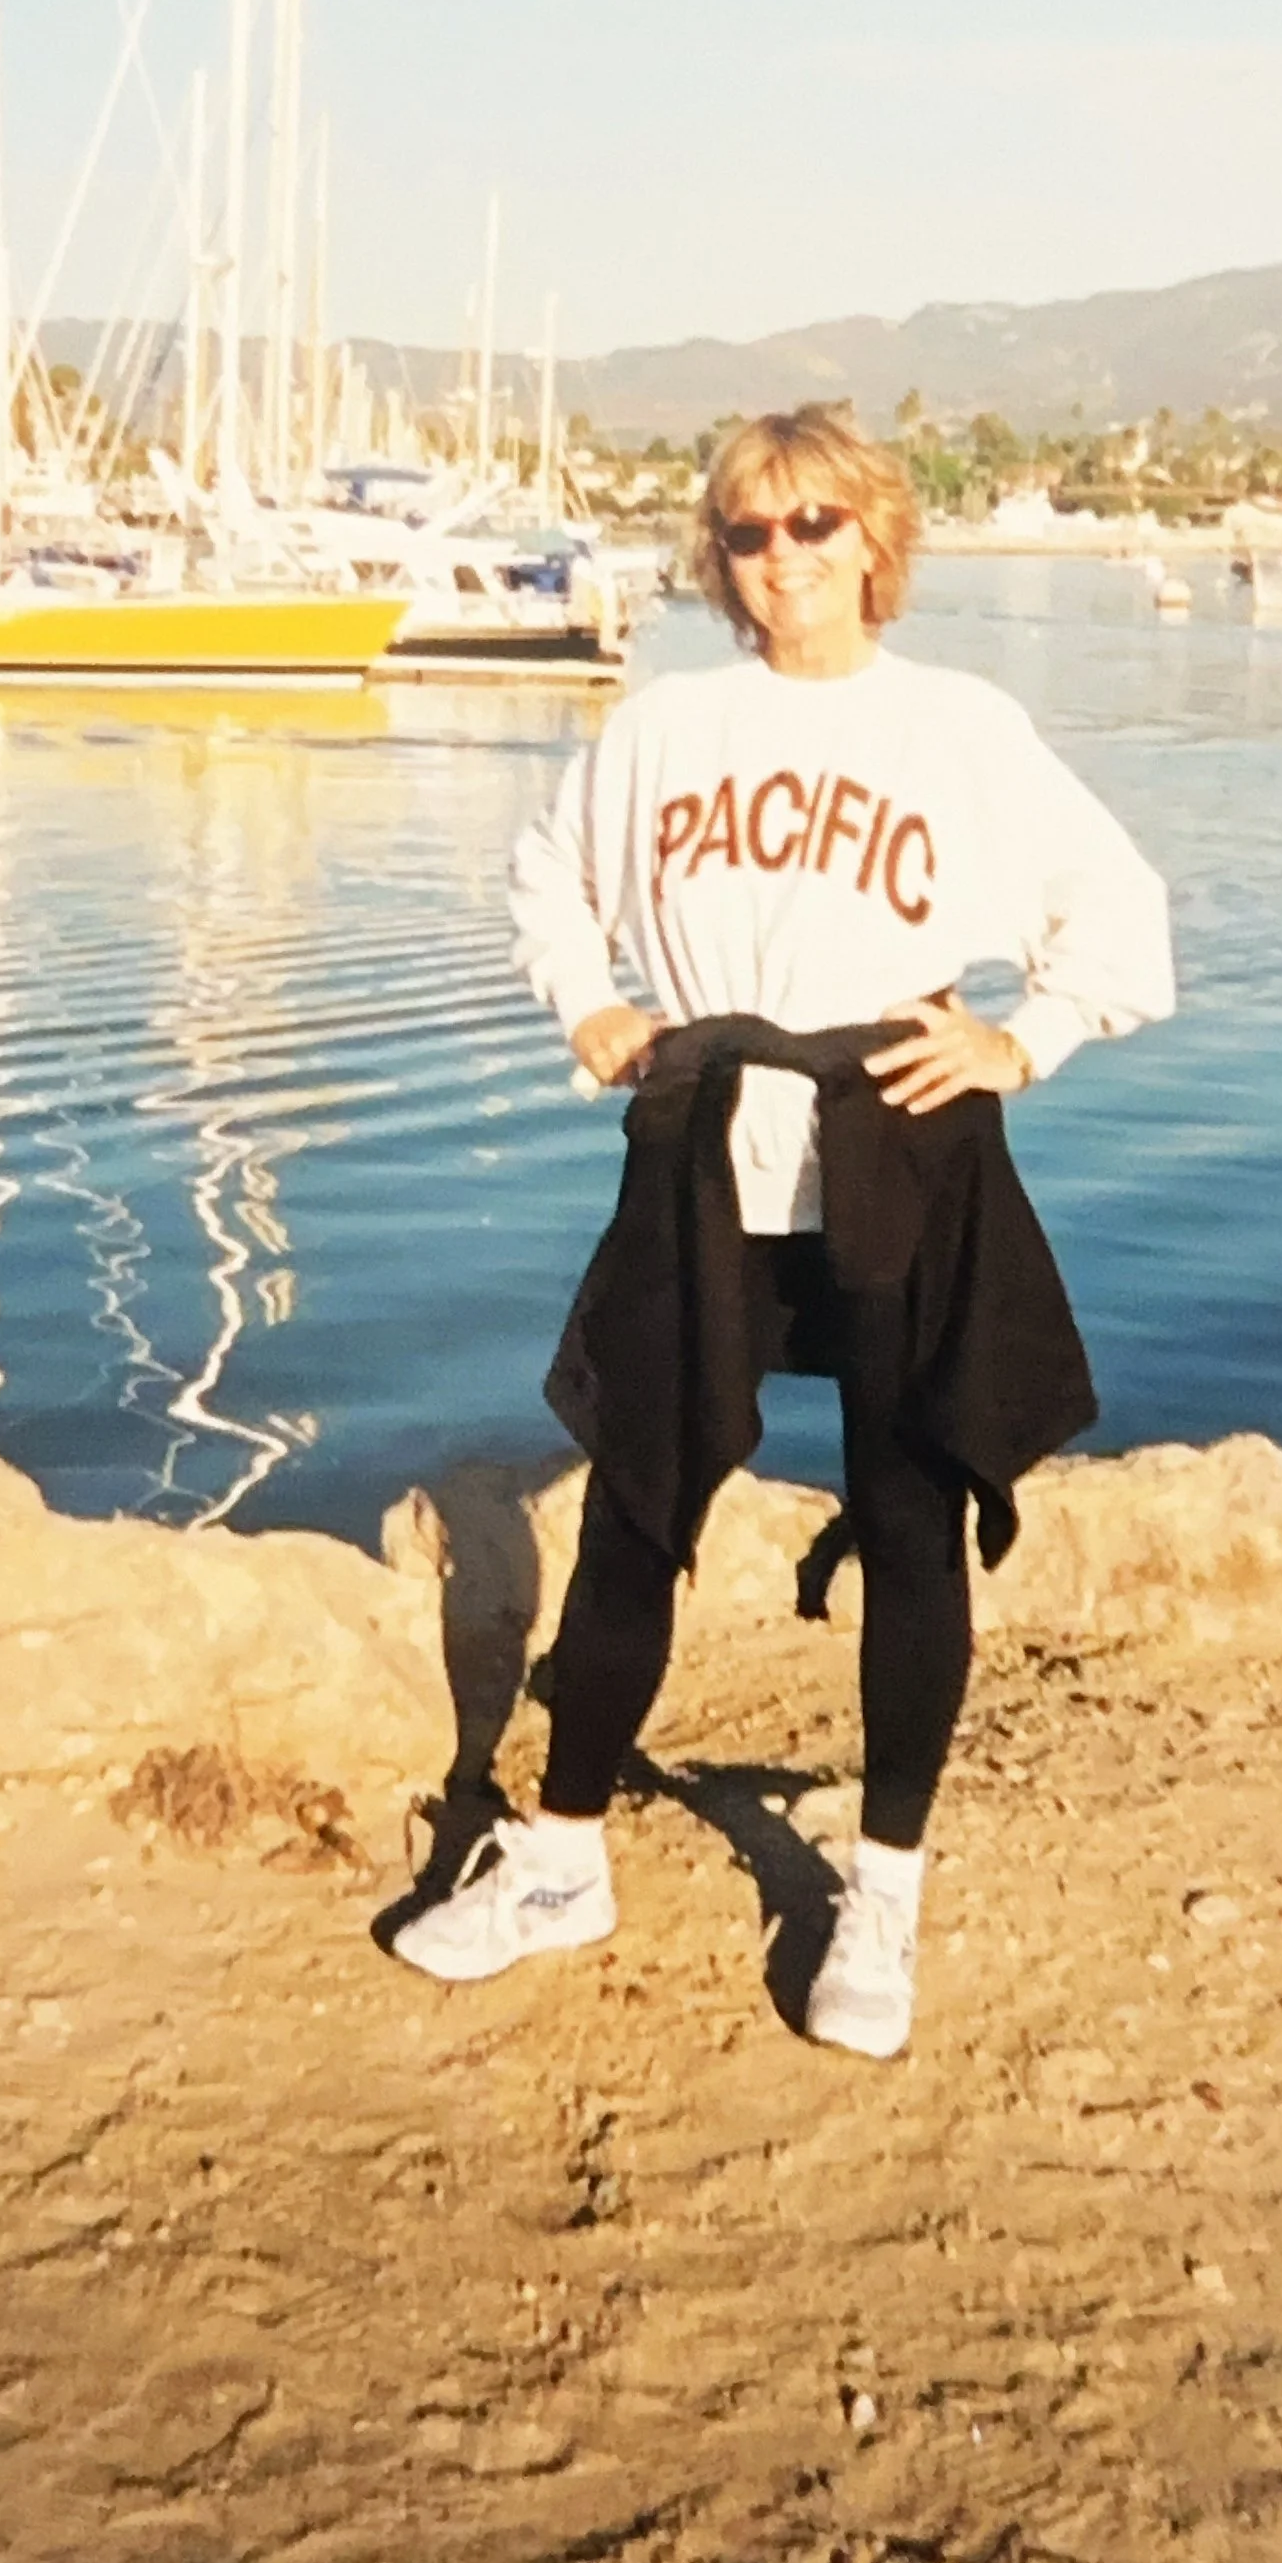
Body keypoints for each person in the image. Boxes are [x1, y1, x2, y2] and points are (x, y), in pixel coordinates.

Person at [393, 404, 1175, 2056]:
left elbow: (1115, 907)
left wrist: (1021, 1039)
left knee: (908, 1506)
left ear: (875, 539)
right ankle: (559, 1855)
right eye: (749, 531)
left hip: (899, 1136)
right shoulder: (668, 726)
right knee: (638, 1503)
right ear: (718, 556)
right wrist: (591, 1006)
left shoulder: (959, 725)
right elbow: (549, 876)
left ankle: (882, 1882)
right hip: (709, 1140)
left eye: (814, 524)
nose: (782, 557)